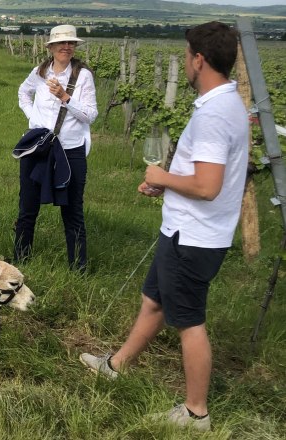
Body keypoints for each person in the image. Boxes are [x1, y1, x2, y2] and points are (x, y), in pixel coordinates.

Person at [80, 21, 248, 432]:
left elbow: (208, 186)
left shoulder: (214, 114)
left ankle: (196, 413)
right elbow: (207, 179)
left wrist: (162, 177)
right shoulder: (225, 104)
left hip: (195, 236)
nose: (186, 63)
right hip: (185, 229)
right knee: (154, 300)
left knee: (189, 322)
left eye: (187, 55)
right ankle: (115, 366)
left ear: (200, 60)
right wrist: (169, 188)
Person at [14, 24, 98, 272]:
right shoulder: (39, 72)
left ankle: (78, 269)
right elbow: (23, 93)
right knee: (27, 207)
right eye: (61, 43)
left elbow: (90, 115)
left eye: (71, 43)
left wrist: (65, 97)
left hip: (70, 150)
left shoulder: (83, 76)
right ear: (50, 47)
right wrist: (34, 120)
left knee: (73, 211)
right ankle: (20, 261)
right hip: (38, 148)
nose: (67, 46)